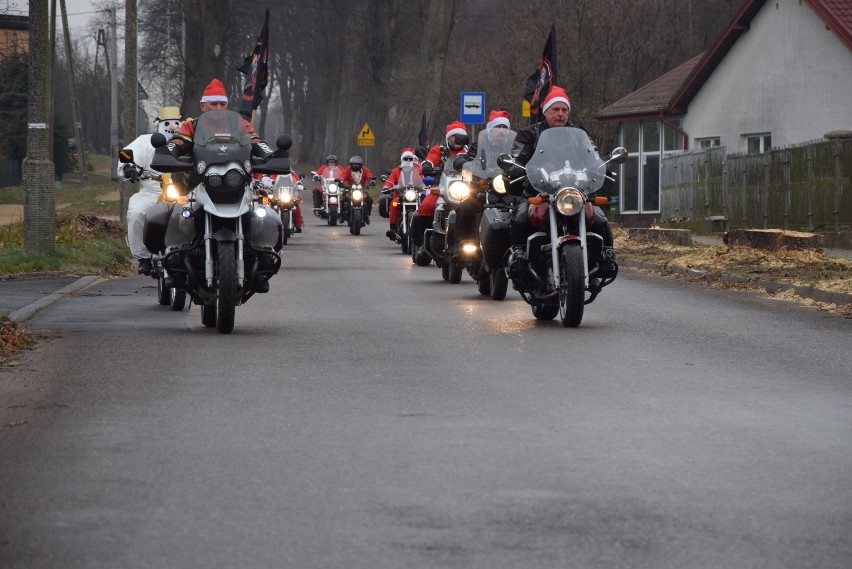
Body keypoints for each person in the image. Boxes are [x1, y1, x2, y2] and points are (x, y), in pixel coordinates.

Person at [507, 86, 614, 257]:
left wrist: (601, 164)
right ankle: (518, 255)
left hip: (575, 191)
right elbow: (516, 158)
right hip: (539, 192)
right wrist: (519, 169)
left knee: (599, 219)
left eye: (564, 110)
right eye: (555, 109)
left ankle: (606, 255)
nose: (560, 114)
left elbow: (593, 154)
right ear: (546, 111)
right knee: (520, 217)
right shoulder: (528, 135)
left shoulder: (579, 135)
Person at [118, 105, 184, 274]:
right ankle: (143, 257)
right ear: (159, 123)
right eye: (168, 123)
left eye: (176, 123)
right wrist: (129, 167)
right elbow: (129, 153)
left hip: (183, 190)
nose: (173, 127)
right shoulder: (145, 141)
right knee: (136, 213)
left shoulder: (187, 142)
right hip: (151, 190)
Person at [168, 78, 275, 161]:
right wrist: (168, 152)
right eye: (214, 104)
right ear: (203, 106)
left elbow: (255, 141)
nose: (219, 108)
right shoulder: (191, 126)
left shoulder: (239, 124)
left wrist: (270, 156)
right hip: (198, 179)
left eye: (222, 104)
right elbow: (178, 142)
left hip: (236, 177)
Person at [383, 148, 423, 239]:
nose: (408, 160)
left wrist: (427, 186)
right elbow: (390, 181)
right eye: (406, 159)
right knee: (394, 203)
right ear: (402, 159)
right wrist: (387, 187)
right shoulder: (396, 171)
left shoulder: (417, 170)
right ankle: (393, 229)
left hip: (415, 196)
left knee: (423, 205)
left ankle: (422, 227)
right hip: (400, 196)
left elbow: (422, 180)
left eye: (410, 159)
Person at [338, 155, 374, 224]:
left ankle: (367, 215)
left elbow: (369, 176)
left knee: (369, 200)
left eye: (357, 165)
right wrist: (340, 181)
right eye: (353, 164)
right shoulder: (347, 169)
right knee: (343, 199)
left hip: (361, 190)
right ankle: (342, 215)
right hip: (349, 189)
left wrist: (372, 181)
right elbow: (343, 176)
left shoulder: (365, 170)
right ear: (350, 165)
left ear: (360, 165)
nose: (355, 166)